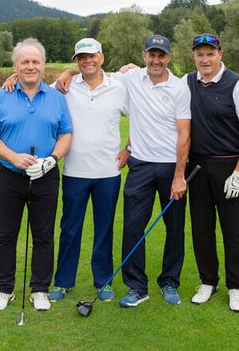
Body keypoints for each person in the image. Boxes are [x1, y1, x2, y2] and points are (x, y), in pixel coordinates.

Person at [59, 34, 191, 307]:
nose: (156, 60)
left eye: (161, 55)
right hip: (140, 165)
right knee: (132, 227)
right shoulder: (130, 79)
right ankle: (136, 286)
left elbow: (184, 134)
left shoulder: (180, 88)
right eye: (151, 54)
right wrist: (68, 70)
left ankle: (169, 282)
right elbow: (91, 70)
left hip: (170, 166)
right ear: (144, 56)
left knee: (175, 228)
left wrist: (180, 175)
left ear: (169, 57)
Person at [0, 38, 73, 313]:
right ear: (16, 66)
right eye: (25, 62)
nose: (31, 66)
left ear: (44, 65)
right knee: (6, 234)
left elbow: (66, 134)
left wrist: (52, 159)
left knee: (43, 235)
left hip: (45, 176)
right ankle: (4, 289)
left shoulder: (57, 97)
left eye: (36, 62)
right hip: (9, 175)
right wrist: (13, 157)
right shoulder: (1, 96)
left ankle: (40, 289)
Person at [45, 38, 129, 303]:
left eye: (91, 56)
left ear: (101, 57)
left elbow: (141, 117)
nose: (87, 61)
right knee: (70, 229)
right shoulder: (65, 86)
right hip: (74, 172)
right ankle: (62, 282)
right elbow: (33, 88)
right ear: (76, 61)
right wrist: (15, 75)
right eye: (81, 58)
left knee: (104, 229)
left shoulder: (119, 87)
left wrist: (130, 147)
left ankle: (103, 282)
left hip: (108, 172)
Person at [184, 33, 239, 312]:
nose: (205, 59)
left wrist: (238, 173)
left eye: (210, 54)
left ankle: (236, 286)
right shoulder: (188, 82)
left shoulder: (236, 84)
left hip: (228, 166)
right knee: (201, 227)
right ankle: (208, 281)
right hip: (198, 166)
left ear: (220, 54)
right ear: (194, 56)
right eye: (200, 54)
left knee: (233, 228)